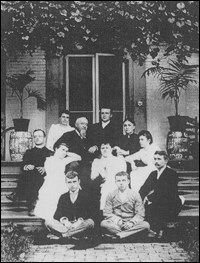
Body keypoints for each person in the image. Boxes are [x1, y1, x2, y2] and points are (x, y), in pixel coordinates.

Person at [6, 129, 53, 216]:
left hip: (44, 176)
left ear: (45, 138)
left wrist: (46, 168)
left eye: (39, 136)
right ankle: (32, 205)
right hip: (31, 176)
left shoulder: (50, 153)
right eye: (35, 137)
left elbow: (54, 166)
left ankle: (17, 194)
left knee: (34, 177)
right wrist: (26, 166)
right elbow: (22, 165)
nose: (37, 138)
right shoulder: (29, 152)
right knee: (29, 174)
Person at [139, 151, 185, 238]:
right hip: (156, 201)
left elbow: (166, 192)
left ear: (166, 160)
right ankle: (152, 230)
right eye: (155, 159)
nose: (156, 161)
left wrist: (149, 198)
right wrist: (139, 199)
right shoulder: (153, 174)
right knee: (145, 208)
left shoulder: (171, 174)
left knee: (156, 208)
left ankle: (157, 230)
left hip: (170, 203)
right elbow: (143, 189)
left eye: (159, 159)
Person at [34, 143, 81, 221]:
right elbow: (51, 173)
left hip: (61, 181)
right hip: (51, 181)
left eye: (66, 151)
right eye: (62, 149)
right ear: (56, 149)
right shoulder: (49, 159)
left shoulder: (64, 160)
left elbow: (78, 157)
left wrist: (67, 153)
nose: (64, 152)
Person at [45, 171, 94, 240]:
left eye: (74, 181)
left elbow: (90, 214)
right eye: (69, 182)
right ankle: (74, 235)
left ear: (79, 181)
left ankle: (63, 236)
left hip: (80, 225)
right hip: (66, 226)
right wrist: (65, 221)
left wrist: (79, 222)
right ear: (66, 183)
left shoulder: (86, 196)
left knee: (90, 222)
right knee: (48, 222)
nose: (72, 185)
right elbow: (57, 214)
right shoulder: (63, 197)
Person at [101, 171, 150, 239]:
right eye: (118, 181)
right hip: (116, 224)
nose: (121, 183)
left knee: (145, 225)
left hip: (131, 223)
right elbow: (107, 213)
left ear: (128, 181)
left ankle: (119, 235)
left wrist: (131, 222)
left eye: (124, 180)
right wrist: (118, 221)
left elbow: (140, 214)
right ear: (115, 182)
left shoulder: (135, 194)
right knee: (104, 223)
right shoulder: (111, 194)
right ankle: (128, 235)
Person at [91, 141, 127, 211]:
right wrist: (101, 174)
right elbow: (93, 177)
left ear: (111, 149)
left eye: (107, 147)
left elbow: (123, 173)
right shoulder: (97, 161)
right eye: (102, 148)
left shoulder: (118, 159)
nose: (105, 150)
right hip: (104, 185)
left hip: (117, 184)